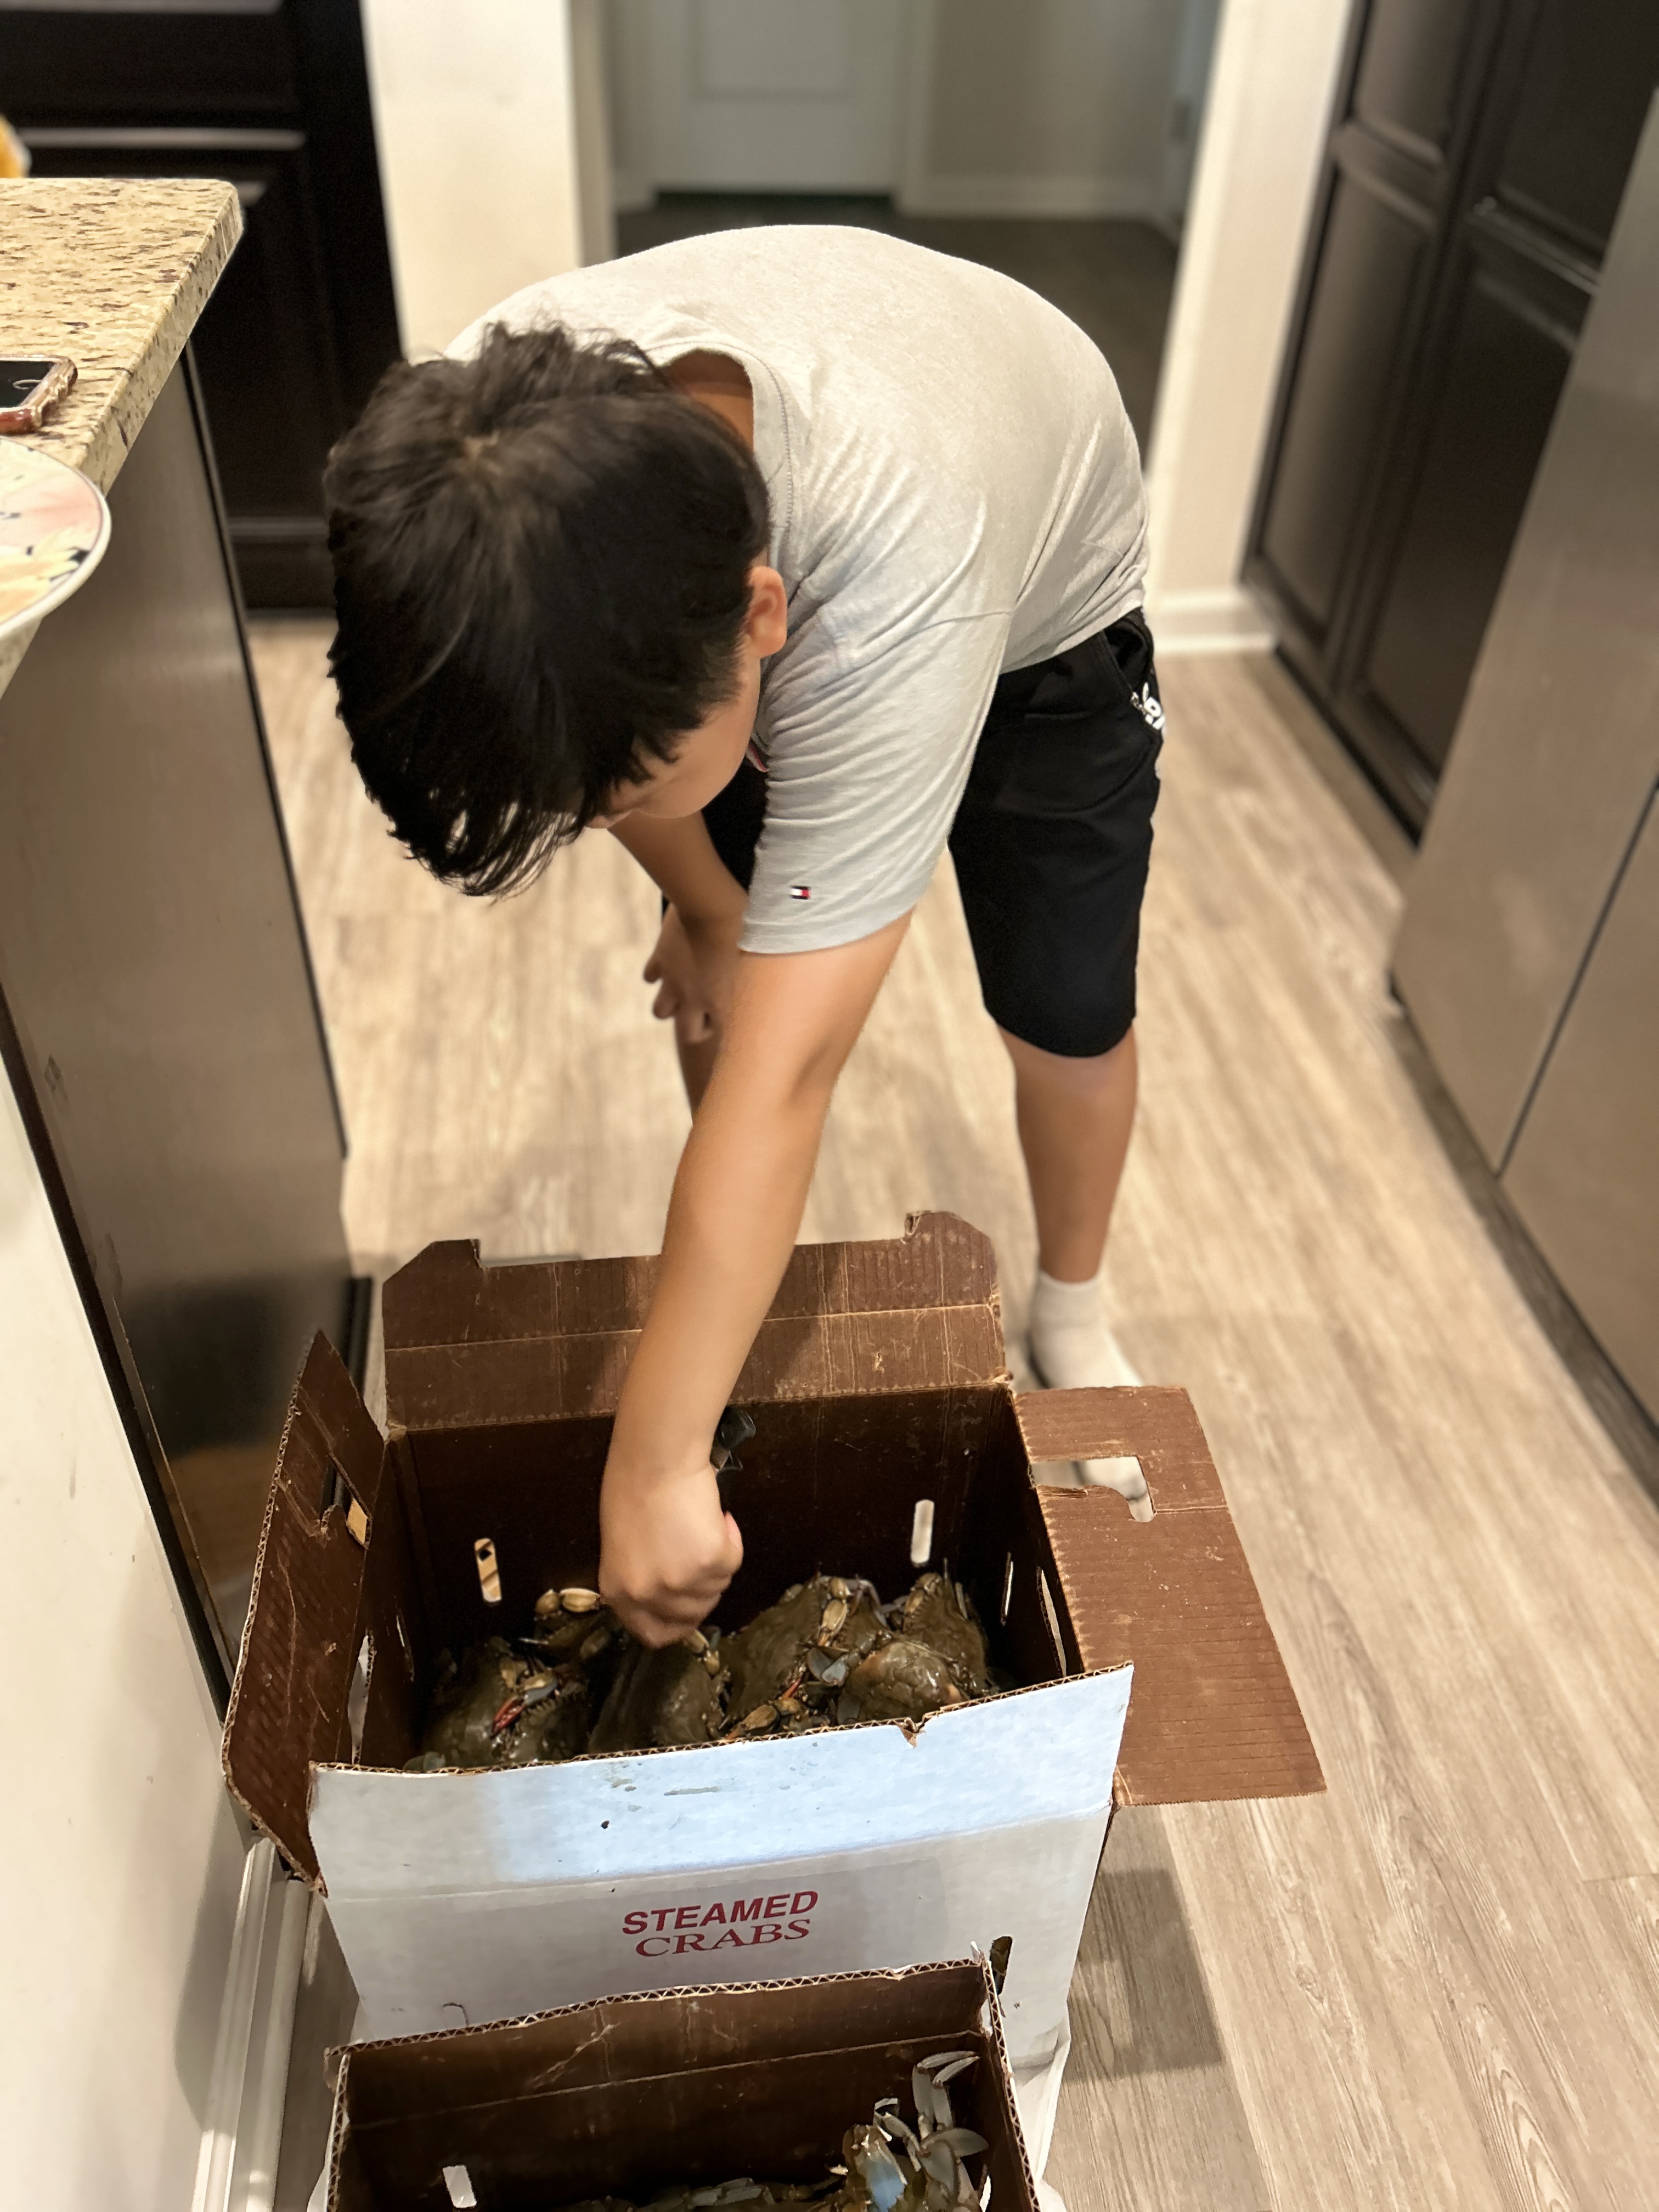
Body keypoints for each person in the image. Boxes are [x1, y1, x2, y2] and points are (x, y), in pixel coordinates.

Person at [324, 225, 1163, 1647]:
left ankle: (1072, 1312)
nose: (595, 827)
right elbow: (604, 773)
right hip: (824, 537)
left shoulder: (900, 574)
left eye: (611, 801)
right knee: (723, 960)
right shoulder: (471, 476)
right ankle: (736, 1328)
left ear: (763, 620)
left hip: (1035, 600)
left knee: (1063, 1005)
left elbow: (792, 1073)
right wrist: (711, 907)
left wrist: (651, 1462)